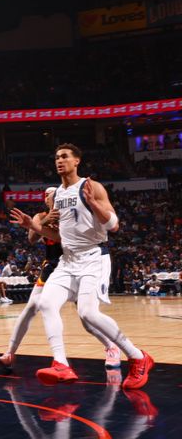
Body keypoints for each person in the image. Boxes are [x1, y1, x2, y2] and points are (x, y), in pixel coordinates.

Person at [10, 143, 153, 389]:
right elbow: (58, 237)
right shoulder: (57, 196)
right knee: (45, 303)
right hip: (67, 259)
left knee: (87, 314)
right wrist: (32, 227)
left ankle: (138, 357)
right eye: (56, 157)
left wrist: (93, 204)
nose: (59, 161)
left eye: (65, 156)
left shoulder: (91, 186)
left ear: (77, 161)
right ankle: (61, 364)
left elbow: (114, 226)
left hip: (94, 257)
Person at [0, 187, 120, 373]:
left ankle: (111, 346)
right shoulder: (39, 216)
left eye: (50, 193)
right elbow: (31, 238)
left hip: (76, 264)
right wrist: (45, 221)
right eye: (45, 194)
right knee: (30, 308)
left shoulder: (72, 214)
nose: (46, 196)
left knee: (87, 318)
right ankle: (10, 353)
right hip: (52, 265)